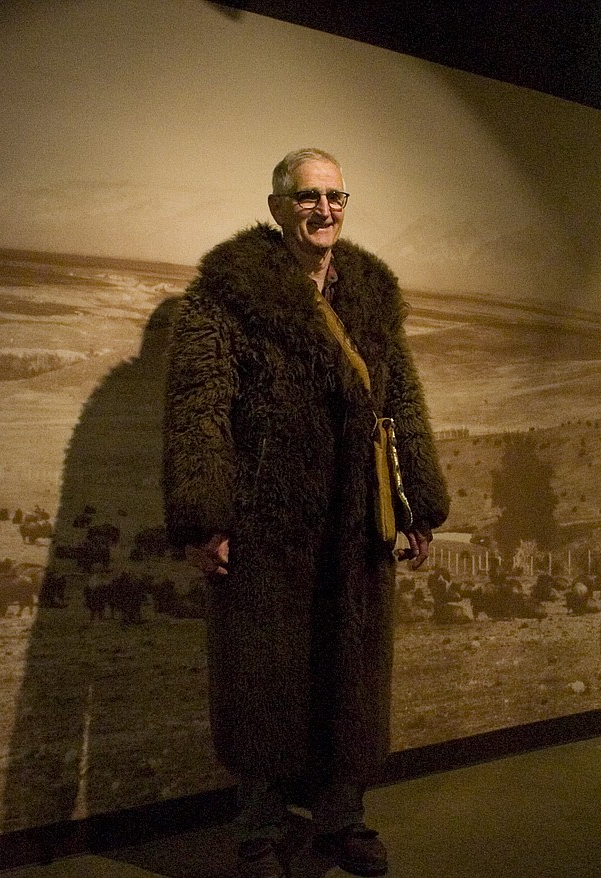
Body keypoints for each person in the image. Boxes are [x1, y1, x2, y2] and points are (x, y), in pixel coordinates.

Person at [163, 148, 450, 877]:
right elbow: (201, 411)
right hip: (267, 522)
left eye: (335, 196)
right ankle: (258, 828)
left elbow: (403, 404)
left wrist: (421, 500)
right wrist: (204, 516)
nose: (324, 210)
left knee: (349, 672)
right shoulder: (225, 299)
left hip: (355, 520)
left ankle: (341, 820)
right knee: (263, 675)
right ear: (276, 206)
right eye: (307, 198)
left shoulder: (371, 296)